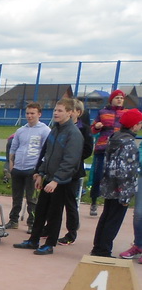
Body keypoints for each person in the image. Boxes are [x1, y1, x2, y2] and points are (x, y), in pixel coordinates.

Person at [14, 99, 83, 256]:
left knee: (54, 213)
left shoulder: (73, 134)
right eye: (55, 110)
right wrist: (41, 173)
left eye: (60, 111)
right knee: (41, 210)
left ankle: (50, 243)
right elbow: (47, 154)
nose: (56, 113)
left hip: (61, 181)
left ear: (70, 112)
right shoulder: (55, 130)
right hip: (48, 177)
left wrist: (56, 180)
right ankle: (33, 240)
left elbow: (70, 161)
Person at [90, 108, 142, 257]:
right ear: (133, 126)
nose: (140, 126)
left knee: (106, 216)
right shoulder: (129, 144)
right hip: (120, 189)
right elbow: (126, 171)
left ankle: (98, 247)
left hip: (109, 186)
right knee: (113, 221)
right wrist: (125, 194)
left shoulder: (114, 138)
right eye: (139, 124)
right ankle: (104, 250)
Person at [6, 102, 50, 231]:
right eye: (27, 113)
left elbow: (46, 150)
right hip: (18, 167)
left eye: (32, 113)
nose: (29, 116)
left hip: (33, 168)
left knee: (32, 198)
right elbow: (13, 147)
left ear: (39, 114)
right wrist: (11, 163)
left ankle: (32, 223)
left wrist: (40, 169)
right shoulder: (21, 130)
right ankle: (13, 220)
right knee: (16, 197)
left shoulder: (45, 130)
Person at [58, 98, 94, 245]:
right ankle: (49, 228)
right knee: (54, 201)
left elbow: (87, 150)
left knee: (70, 201)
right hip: (58, 168)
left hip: (73, 171)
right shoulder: (60, 127)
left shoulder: (84, 129)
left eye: (71, 110)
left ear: (77, 112)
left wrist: (72, 160)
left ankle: (71, 233)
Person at [90, 90, 127, 216]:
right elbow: (93, 129)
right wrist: (97, 127)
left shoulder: (126, 113)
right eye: (116, 97)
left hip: (119, 150)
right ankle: (94, 201)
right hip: (103, 149)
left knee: (116, 178)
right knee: (98, 176)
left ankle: (111, 203)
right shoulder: (102, 112)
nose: (119, 100)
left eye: (121, 98)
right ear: (111, 99)